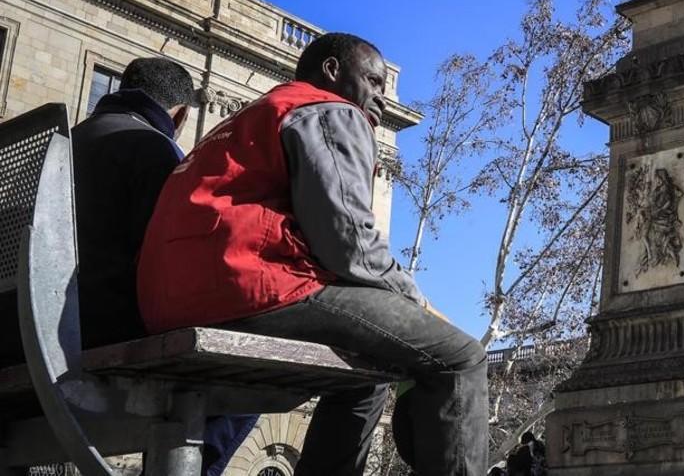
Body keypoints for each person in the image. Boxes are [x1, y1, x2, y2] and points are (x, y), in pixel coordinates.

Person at [137, 33, 487, 476]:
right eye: (374, 82)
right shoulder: (329, 110)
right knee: (461, 357)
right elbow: (350, 244)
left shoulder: (253, 116)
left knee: (369, 370)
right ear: (333, 72)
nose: (380, 98)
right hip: (244, 287)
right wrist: (418, 304)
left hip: (169, 301)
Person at [70, 57, 258, 476]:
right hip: (101, 341)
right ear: (181, 114)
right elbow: (176, 264)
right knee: (254, 379)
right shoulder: (152, 149)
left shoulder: (64, 141)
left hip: (29, 336)